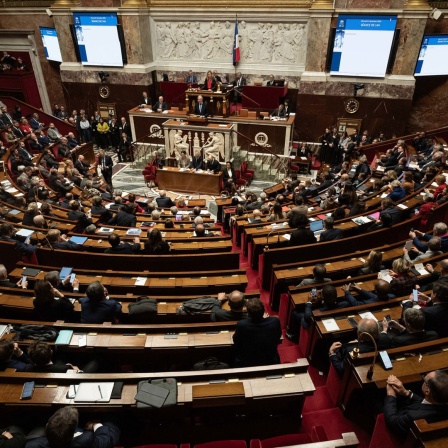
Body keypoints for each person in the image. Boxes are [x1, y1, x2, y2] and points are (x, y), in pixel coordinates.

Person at [384, 371, 448, 439]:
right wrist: (406, 393)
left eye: (424, 379)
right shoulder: (441, 401)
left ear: (427, 391)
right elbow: (426, 403)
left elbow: (393, 422)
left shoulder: (413, 416)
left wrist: (391, 394)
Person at [25, 406, 120, 448]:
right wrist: (96, 425)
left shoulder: (32, 445)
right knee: (111, 423)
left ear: (46, 426)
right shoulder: (86, 440)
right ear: (73, 433)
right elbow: (110, 439)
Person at [232, 298, 281, 367]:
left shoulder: (242, 324)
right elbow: (277, 338)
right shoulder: (275, 321)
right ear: (263, 311)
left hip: (247, 361)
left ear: (248, 314)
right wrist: (264, 319)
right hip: (270, 359)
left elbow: (236, 340)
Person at [27, 340, 99, 373]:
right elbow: (77, 371)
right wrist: (77, 370)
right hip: (78, 377)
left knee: (61, 357)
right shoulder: (65, 368)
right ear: (51, 352)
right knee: (95, 360)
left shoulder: (29, 369)